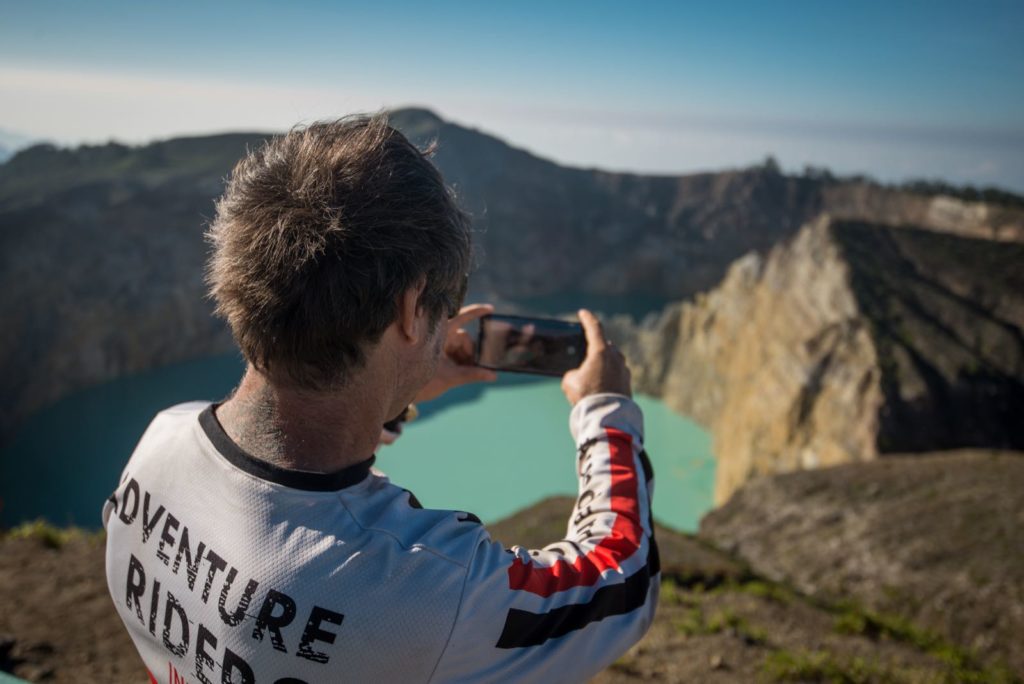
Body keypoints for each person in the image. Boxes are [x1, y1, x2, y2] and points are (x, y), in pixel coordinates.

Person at [103, 114, 658, 684]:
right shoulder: (427, 589)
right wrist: (603, 410)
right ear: (411, 308)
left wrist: (394, 393)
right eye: (441, 309)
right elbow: (623, 579)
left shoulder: (158, 445)